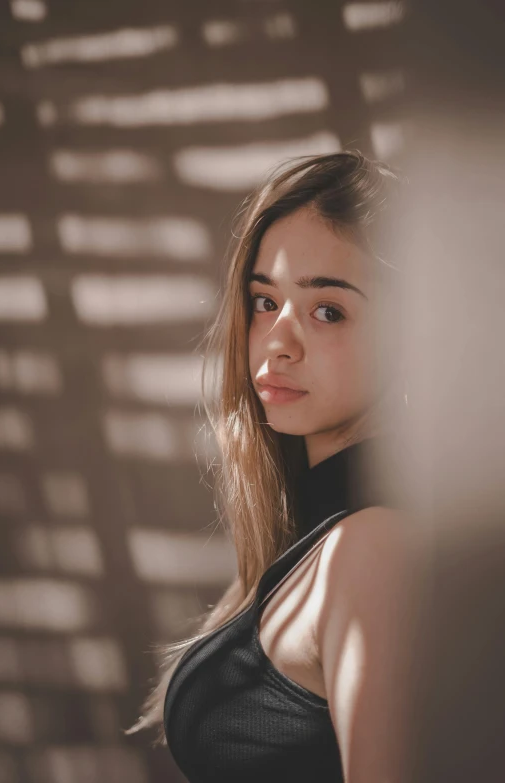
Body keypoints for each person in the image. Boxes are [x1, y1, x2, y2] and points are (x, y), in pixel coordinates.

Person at [126, 151, 425, 782]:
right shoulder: (320, 539)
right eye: (265, 302)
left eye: (327, 310)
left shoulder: (369, 548)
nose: (278, 342)